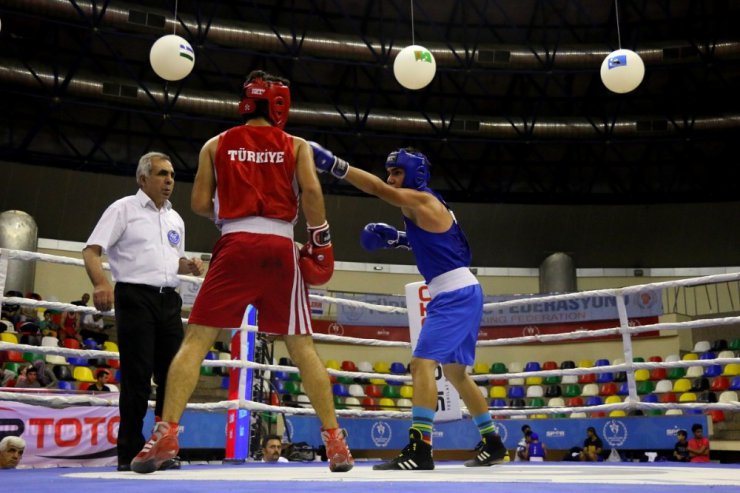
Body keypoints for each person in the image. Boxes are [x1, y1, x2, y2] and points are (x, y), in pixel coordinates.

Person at [129, 71, 352, 475]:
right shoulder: (296, 145)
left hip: (234, 244)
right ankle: (335, 441)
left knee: (196, 340)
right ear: (279, 104)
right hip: (280, 247)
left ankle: (166, 434)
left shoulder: (215, 145)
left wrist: (233, 208)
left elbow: (198, 202)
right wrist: (319, 238)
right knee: (302, 346)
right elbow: (314, 194)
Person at [310, 143, 507, 470]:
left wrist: (335, 165)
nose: (391, 178)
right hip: (461, 289)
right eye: (389, 172)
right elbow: (443, 245)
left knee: (421, 364)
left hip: (454, 294)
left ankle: (420, 448)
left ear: (414, 174)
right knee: (457, 373)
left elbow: (374, 188)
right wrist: (400, 239)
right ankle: (494, 442)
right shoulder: (429, 204)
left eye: (397, 172)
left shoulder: (421, 199)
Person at [82, 151, 204, 472]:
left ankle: (162, 448)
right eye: (162, 174)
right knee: (137, 378)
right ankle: (129, 452)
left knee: (172, 377)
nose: (169, 181)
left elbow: (172, 260)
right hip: (134, 297)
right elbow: (91, 250)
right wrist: (100, 283)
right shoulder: (123, 209)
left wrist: (188, 265)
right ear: (143, 179)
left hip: (169, 301)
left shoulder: (175, 218)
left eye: (172, 175)